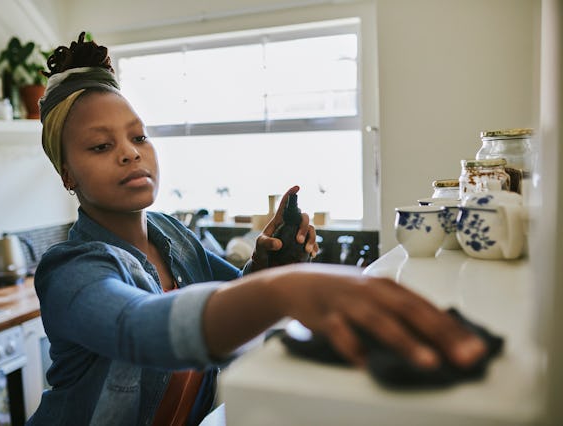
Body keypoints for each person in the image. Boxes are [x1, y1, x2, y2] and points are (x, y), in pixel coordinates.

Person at [27, 33, 487, 426]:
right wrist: (285, 288)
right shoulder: (70, 269)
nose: (130, 153)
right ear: (68, 175)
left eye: (139, 136)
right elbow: (138, 328)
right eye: (102, 145)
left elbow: (231, 312)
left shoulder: (174, 236)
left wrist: (273, 264)